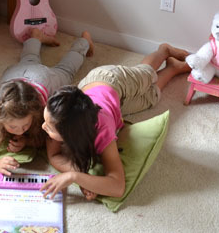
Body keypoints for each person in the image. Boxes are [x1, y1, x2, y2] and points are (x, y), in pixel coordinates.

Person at [40, 41, 190, 200]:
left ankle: (163, 50)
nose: (43, 127)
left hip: (111, 80)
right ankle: (174, 68)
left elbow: (117, 187)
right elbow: (54, 155)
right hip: (101, 97)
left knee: (146, 75)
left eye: (49, 127)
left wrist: (74, 177)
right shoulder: (58, 119)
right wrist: (85, 179)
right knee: (150, 97)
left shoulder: (102, 132)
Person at [0, 28, 94, 175]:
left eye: (25, 125)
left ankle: (84, 42)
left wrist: (28, 141)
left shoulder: (41, 109)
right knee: (29, 59)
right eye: (13, 126)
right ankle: (36, 36)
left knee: (66, 70)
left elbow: (49, 138)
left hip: (43, 78)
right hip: (16, 72)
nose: (20, 131)